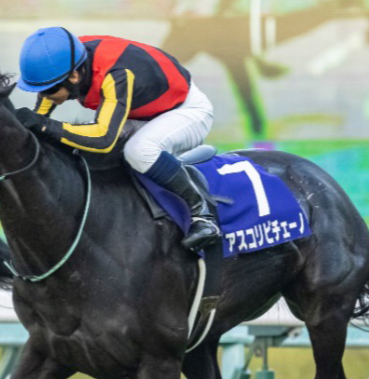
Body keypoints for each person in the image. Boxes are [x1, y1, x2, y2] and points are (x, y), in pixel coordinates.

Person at [15, 26, 221, 252]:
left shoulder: (116, 73)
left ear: (74, 76)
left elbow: (104, 138)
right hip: (146, 111)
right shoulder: (69, 58)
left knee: (138, 150)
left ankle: (202, 215)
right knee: (83, 148)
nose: (43, 96)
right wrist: (36, 122)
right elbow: (43, 114)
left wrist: (46, 126)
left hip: (187, 111)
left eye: (47, 91)